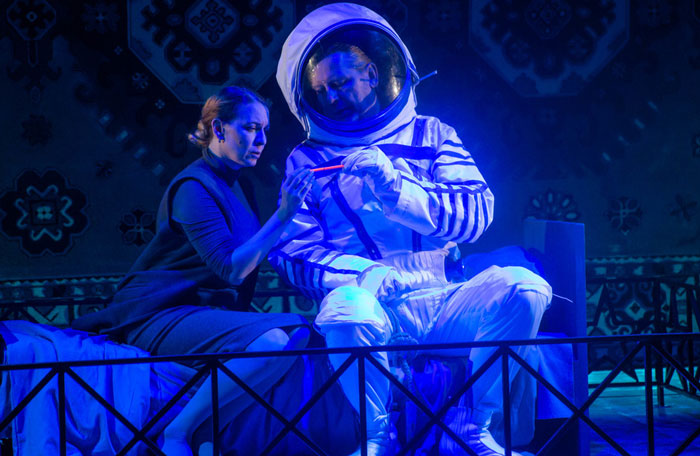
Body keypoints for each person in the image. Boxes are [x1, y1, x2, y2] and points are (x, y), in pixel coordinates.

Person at [270, 4, 553, 456]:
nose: (332, 98)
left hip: (444, 298)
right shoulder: (307, 159)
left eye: (341, 83)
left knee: (526, 288)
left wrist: (397, 189)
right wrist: (362, 274)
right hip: (371, 301)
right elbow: (292, 251)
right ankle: (377, 438)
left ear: (372, 73)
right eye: (320, 91)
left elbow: (477, 212)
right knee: (346, 311)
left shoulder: (433, 135)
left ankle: (472, 427)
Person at [72, 86, 315, 455]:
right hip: (157, 314)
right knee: (274, 340)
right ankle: (178, 431)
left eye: (265, 130)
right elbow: (231, 270)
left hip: (202, 314)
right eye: (251, 128)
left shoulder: (241, 186)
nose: (262, 140)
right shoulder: (194, 187)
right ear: (218, 128)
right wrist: (282, 215)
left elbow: (252, 256)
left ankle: (204, 431)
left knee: (299, 335)